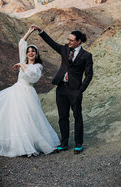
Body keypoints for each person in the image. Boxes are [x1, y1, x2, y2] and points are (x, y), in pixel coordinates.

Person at [0, 26, 60, 157]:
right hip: (16, 90)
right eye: (29, 51)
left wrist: (22, 65)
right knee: (10, 115)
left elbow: (32, 76)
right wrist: (29, 32)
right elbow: (21, 43)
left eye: (33, 52)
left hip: (27, 93)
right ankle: (12, 143)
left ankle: (30, 144)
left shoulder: (37, 66)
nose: (30, 53)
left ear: (36, 54)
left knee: (27, 117)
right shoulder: (23, 60)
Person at [32, 26, 93, 154]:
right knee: (62, 117)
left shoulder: (86, 56)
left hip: (75, 90)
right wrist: (40, 31)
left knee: (77, 117)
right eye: (68, 39)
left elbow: (89, 74)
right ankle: (64, 143)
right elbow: (51, 43)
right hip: (61, 88)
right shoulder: (64, 49)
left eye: (71, 40)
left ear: (78, 41)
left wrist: (81, 89)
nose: (68, 42)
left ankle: (78, 144)